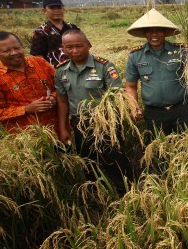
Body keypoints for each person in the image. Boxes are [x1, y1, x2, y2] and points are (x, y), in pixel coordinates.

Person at [55, 30, 132, 191]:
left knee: (114, 157)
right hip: (80, 123)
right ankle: (96, 192)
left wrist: (107, 117)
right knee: (88, 160)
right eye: (69, 47)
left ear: (88, 45)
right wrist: (63, 128)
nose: (74, 51)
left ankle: (125, 190)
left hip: (105, 120)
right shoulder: (61, 71)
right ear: (63, 48)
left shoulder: (104, 66)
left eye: (79, 46)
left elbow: (116, 94)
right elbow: (62, 100)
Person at [124, 8, 188, 139]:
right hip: (154, 113)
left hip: (181, 110)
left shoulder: (181, 51)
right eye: (149, 30)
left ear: (166, 32)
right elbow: (130, 86)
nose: (154, 34)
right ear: (144, 33)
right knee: (158, 153)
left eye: (159, 30)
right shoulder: (136, 56)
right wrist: (134, 107)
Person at [0, 31, 57, 132]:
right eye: (6, 51)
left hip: (59, 129)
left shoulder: (40, 62)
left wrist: (54, 97)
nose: (14, 53)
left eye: (17, 48)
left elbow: (62, 86)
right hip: (26, 139)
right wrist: (26, 109)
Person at [30, 0, 80, 67]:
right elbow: (38, 56)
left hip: (77, 67)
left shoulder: (73, 28)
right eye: (52, 8)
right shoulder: (41, 32)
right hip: (54, 71)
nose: (57, 11)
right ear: (44, 11)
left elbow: (83, 47)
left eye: (59, 7)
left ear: (63, 9)